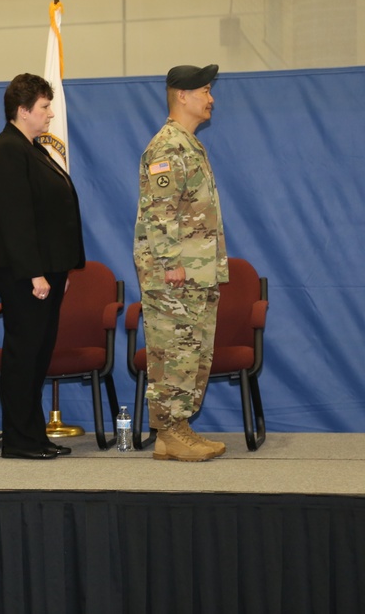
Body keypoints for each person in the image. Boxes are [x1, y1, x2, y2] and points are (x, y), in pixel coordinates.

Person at [0, 73, 85, 460]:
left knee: (39, 352)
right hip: (21, 269)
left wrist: (61, 269)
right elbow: (14, 219)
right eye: (43, 107)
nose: (51, 114)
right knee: (24, 352)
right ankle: (19, 439)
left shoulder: (30, 148)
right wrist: (35, 273)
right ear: (23, 111)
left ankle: (34, 433)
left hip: (42, 268)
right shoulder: (9, 150)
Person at [134, 64, 229, 462]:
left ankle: (176, 430)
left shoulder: (188, 144)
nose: (211, 98)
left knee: (192, 353)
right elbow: (160, 213)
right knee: (173, 352)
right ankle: (170, 430)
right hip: (176, 273)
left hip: (197, 271)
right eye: (205, 90)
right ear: (182, 96)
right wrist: (172, 262)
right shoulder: (168, 147)